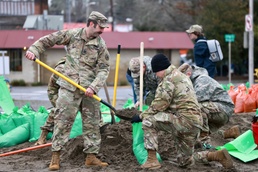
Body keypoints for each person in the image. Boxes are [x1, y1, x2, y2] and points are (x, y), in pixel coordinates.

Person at [25, 11, 110, 171]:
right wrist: (34, 50)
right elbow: (47, 40)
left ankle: (91, 157)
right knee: (62, 122)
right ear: (91, 24)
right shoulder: (72, 35)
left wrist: (94, 86)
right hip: (69, 88)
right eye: (100, 27)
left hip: (89, 89)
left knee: (92, 124)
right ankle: (55, 157)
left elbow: (104, 68)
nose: (102, 31)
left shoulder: (100, 44)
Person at [131, 53, 233, 170]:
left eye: (156, 72)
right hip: (194, 122)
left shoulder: (167, 81)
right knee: (184, 161)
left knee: (148, 121)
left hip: (183, 121)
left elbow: (159, 105)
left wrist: (141, 116)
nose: (156, 75)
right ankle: (215, 155)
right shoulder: (181, 76)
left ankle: (152, 160)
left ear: (160, 68)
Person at [178, 63, 240, 147]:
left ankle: (205, 143)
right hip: (216, 108)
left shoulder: (202, 80)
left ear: (188, 74)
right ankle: (231, 132)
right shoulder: (194, 81)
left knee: (195, 109)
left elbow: (194, 101)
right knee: (202, 130)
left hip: (224, 108)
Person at [34, 58, 66, 146]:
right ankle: (43, 137)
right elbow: (52, 89)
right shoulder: (62, 69)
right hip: (54, 91)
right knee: (58, 109)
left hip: (79, 91)